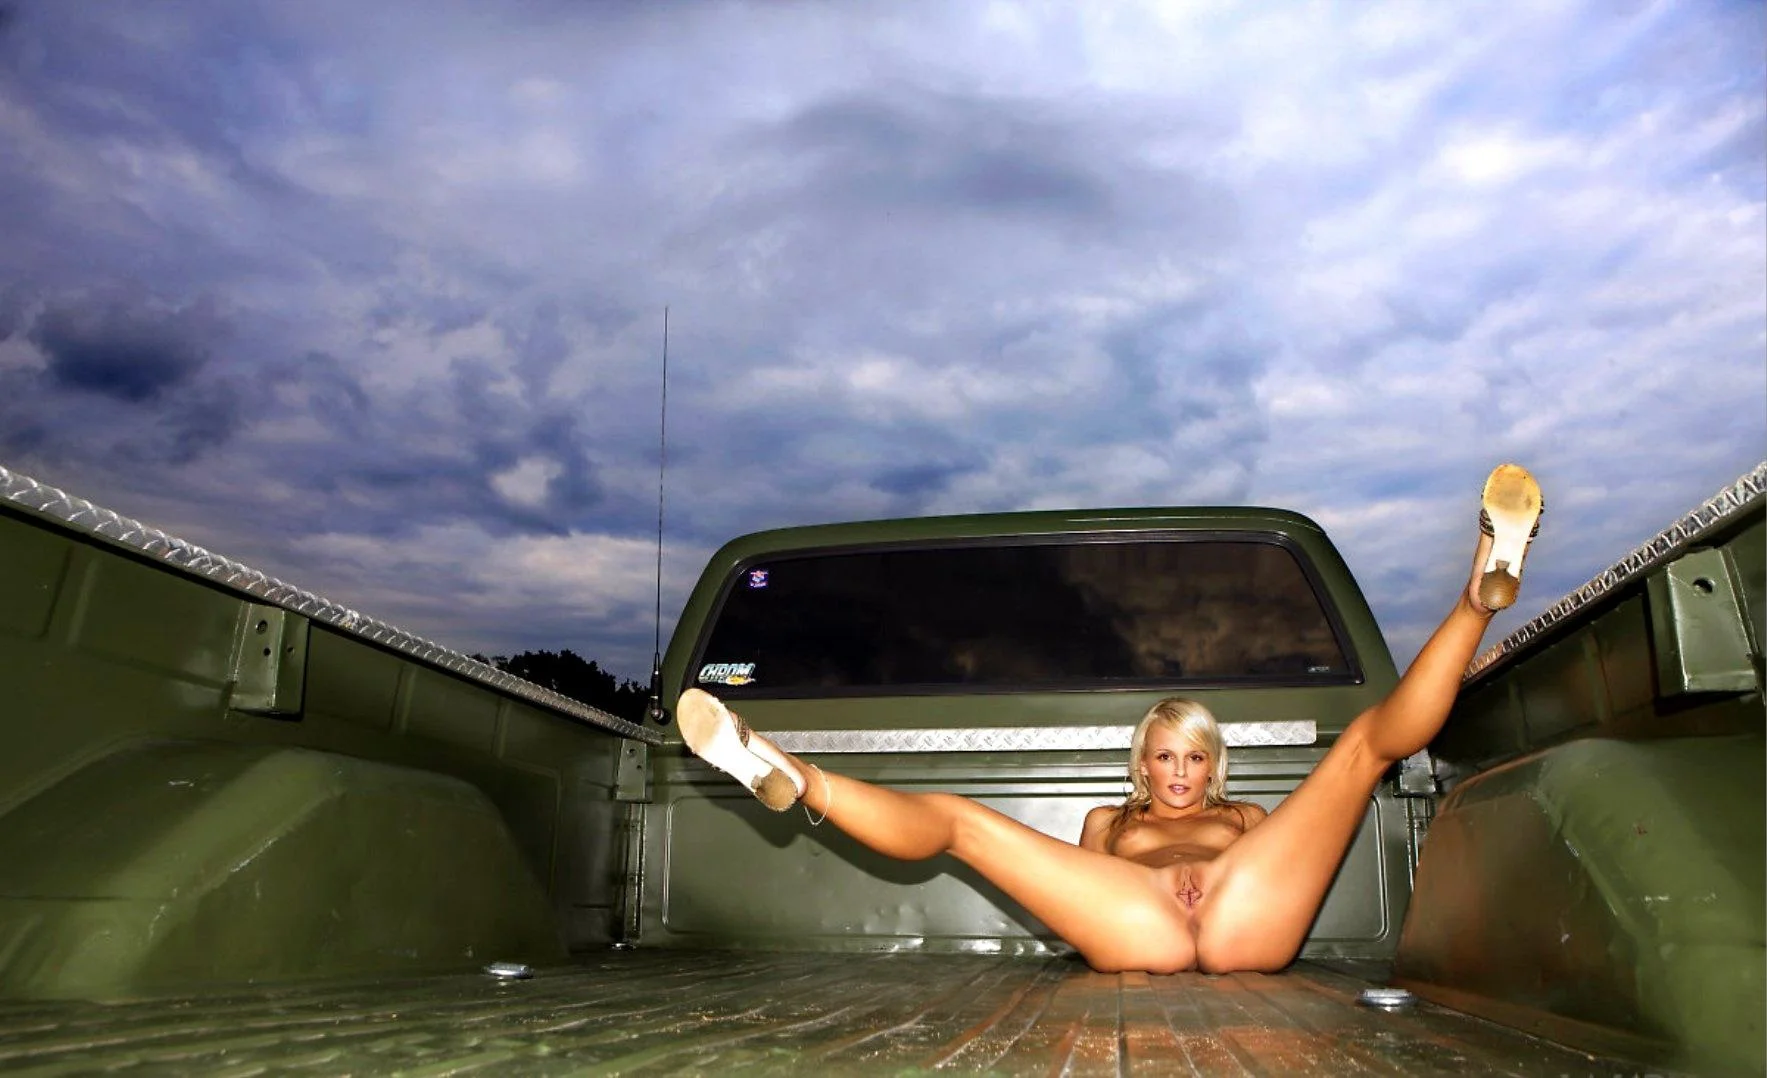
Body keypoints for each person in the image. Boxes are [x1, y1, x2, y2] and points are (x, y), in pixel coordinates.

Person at [678, 464, 1544, 975]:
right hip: (1139, 925)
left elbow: (1296, 849)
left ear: (1212, 765)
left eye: (1194, 758)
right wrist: (1130, 898)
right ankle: (794, 775)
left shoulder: (1248, 819)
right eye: (1164, 757)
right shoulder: (1107, 822)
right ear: (1143, 764)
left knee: (1360, 746)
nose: (1179, 773)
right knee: (960, 821)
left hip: (1246, 918)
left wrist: (1222, 862)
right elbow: (1081, 901)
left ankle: (1478, 596)